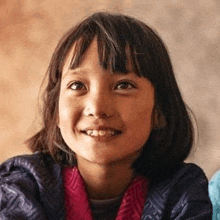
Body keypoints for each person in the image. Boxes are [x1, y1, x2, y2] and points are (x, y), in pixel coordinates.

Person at [0, 12, 212, 219]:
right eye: (77, 85)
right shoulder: (23, 185)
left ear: (160, 111)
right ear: (55, 109)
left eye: (123, 85)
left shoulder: (183, 191)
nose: (97, 107)